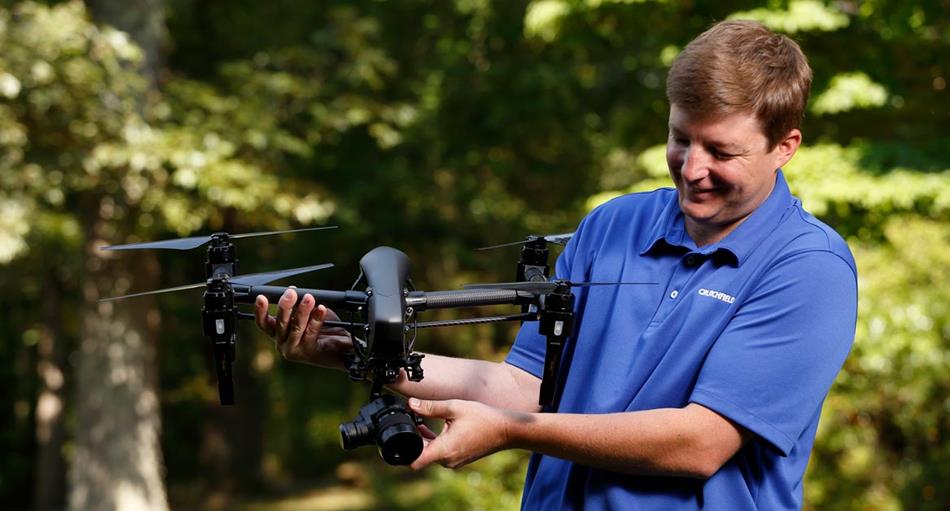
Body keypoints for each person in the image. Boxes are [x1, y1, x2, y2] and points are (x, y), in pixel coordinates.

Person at [255, 19, 857, 510]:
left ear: (785, 147)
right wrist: (352, 351)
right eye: (680, 138)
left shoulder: (809, 269)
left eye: (721, 151)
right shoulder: (612, 225)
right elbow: (525, 385)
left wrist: (510, 430)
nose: (691, 168)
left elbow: (699, 443)